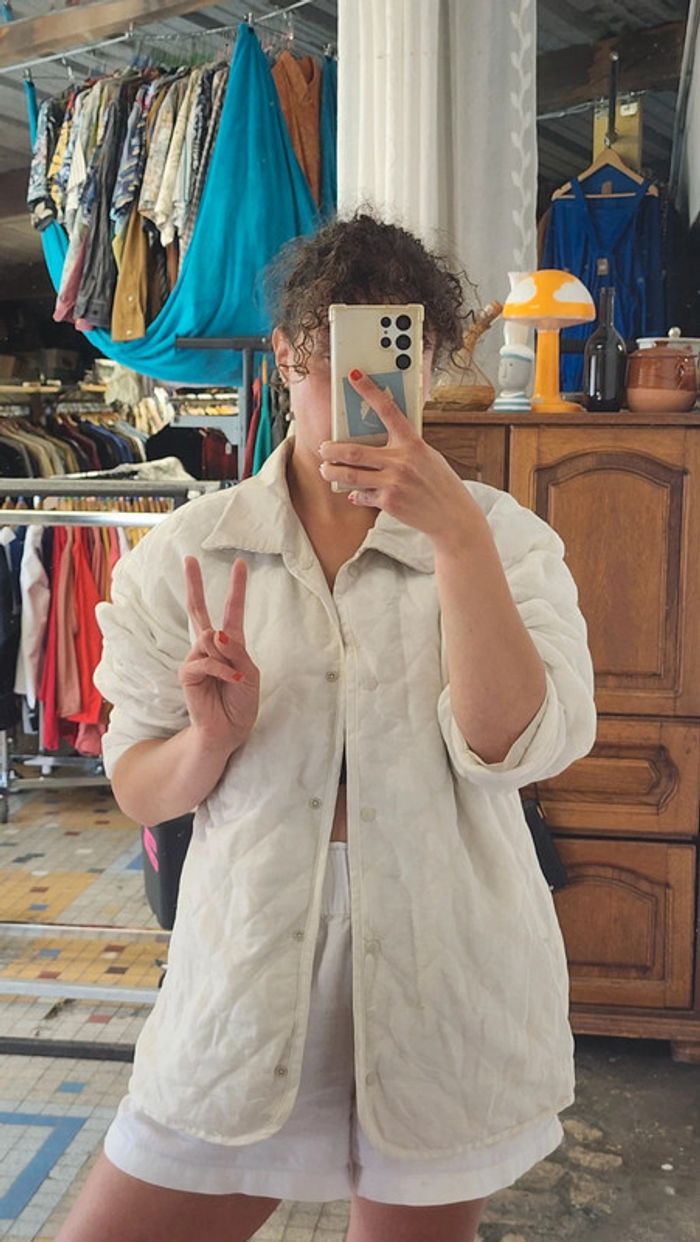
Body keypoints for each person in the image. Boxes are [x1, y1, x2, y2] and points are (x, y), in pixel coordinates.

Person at [57, 211, 597, 1242]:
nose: (358, 390)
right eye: (329, 355)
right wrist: (210, 741)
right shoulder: (192, 552)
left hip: (447, 966)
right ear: (285, 356)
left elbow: (516, 750)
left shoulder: (507, 542)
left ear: (429, 364)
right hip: (246, 971)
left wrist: (458, 543)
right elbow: (136, 786)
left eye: (391, 357)